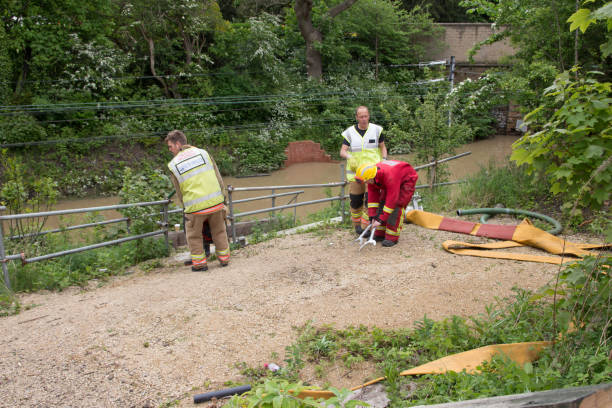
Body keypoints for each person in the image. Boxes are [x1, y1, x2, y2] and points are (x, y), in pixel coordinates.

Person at [165, 130, 230, 271]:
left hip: (195, 208)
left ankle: (200, 264)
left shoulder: (174, 164)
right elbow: (218, 176)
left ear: (177, 144)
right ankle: (224, 259)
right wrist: (222, 198)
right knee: (219, 231)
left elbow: (179, 191)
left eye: (170, 146)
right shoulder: (203, 153)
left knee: (194, 236)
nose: (170, 150)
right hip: (216, 203)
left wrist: (186, 208)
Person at [340, 106, 387, 235]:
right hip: (355, 174)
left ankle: (367, 228)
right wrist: (349, 156)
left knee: (370, 201)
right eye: (361, 117)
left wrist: (384, 161)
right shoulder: (349, 132)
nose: (364, 119)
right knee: (355, 201)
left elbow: (383, 148)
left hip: (372, 174)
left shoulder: (377, 130)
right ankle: (357, 227)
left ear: (369, 116)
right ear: (356, 117)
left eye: (366, 116)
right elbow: (342, 151)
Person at [355, 160, 418, 247]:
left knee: (397, 205)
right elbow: (373, 199)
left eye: (366, 181)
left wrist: (380, 219)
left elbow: (392, 201)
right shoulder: (371, 175)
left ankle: (392, 237)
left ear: (371, 177)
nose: (366, 183)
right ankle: (380, 233)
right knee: (382, 201)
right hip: (391, 178)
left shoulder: (389, 177)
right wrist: (372, 216)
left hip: (406, 180)